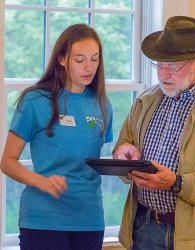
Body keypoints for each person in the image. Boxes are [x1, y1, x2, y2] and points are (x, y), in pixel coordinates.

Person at [113, 16, 195, 250]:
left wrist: (177, 182)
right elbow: (126, 148)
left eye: (173, 67)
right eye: (160, 65)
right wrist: (124, 156)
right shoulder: (145, 102)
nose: (164, 74)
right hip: (145, 229)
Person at [0, 23, 113, 250]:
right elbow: (7, 162)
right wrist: (41, 181)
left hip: (89, 220)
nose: (88, 67)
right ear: (62, 59)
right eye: (79, 60)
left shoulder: (102, 105)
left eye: (94, 59)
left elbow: (99, 159)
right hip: (43, 220)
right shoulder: (34, 101)